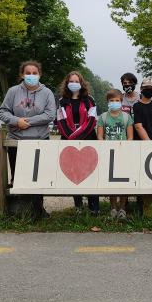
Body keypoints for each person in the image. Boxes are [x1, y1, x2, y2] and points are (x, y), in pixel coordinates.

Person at [0, 60, 56, 219]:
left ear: (40, 74)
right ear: (22, 75)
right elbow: (3, 112)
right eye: (28, 73)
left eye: (34, 73)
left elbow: (50, 115)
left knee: (39, 176)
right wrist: (16, 121)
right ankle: (19, 212)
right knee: (18, 176)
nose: (31, 76)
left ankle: (38, 211)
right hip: (16, 141)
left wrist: (26, 122)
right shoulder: (13, 92)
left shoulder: (47, 93)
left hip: (40, 141)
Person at [57, 71, 100, 215]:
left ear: (81, 83)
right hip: (68, 140)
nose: (74, 83)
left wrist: (78, 136)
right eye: (71, 81)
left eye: (77, 81)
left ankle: (94, 207)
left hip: (88, 139)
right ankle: (78, 206)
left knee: (91, 171)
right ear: (67, 83)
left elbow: (92, 121)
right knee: (74, 172)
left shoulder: (90, 100)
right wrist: (72, 138)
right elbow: (60, 122)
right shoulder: (62, 101)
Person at [97, 89, 134, 220]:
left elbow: (130, 137)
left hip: (123, 154)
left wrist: (124, 148)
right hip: (108, 154)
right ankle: (113, 207)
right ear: (108, 102)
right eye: (112, 100)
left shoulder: (126, 117)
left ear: (121, 101)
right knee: (110, 182)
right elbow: (100, 137)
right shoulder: (102, 117)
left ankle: (123, 208)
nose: (114, 103)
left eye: (117, 100)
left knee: (124, 182)